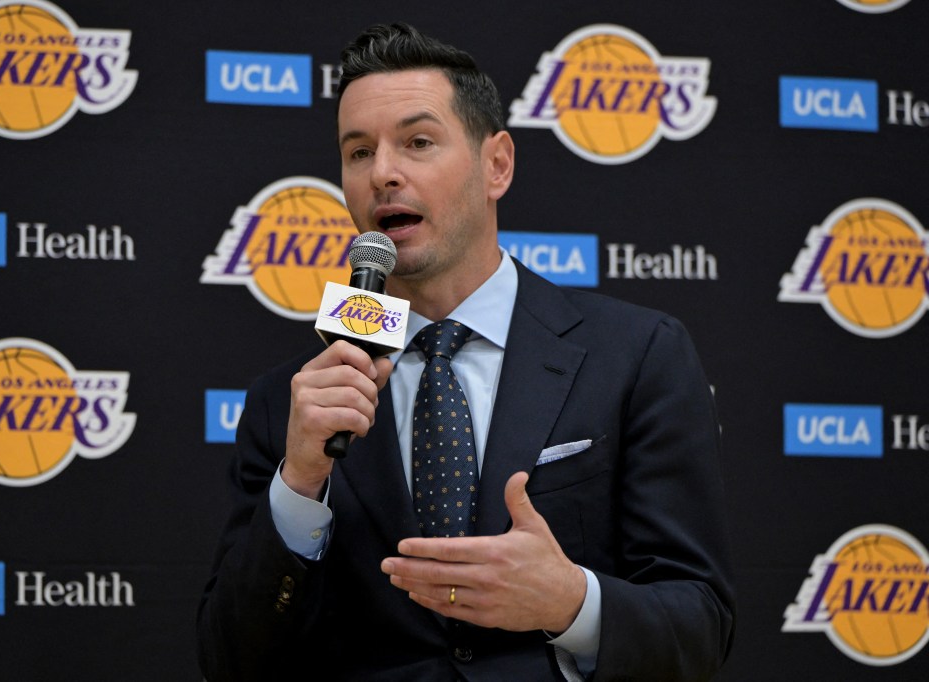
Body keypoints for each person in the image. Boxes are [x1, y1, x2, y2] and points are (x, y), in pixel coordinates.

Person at [197, 22, 735, 681]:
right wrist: (301, 483)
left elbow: (700, 627)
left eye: (418, 142)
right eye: (358, 153)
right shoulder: (292, 405)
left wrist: (571, 602)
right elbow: (229, 660)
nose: (384, 174)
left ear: (497, 164)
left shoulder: (638, 355)